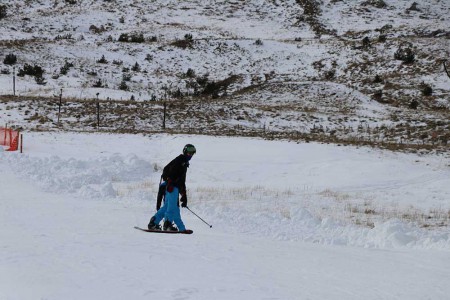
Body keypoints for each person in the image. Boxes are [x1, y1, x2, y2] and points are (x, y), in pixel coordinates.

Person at [148, 144, 196, 231]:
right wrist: (170, 182)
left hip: (173, 187)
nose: (191, 155)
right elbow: (170, 172)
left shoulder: (184, 162)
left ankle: (153, 223)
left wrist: (184, 195)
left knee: (167, 206)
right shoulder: (180, 160)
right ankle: (167, 224)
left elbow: (181, 181)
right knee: (172, 206)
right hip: (172, 187)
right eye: (189, 153)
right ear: (185, 151)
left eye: (192, 153)